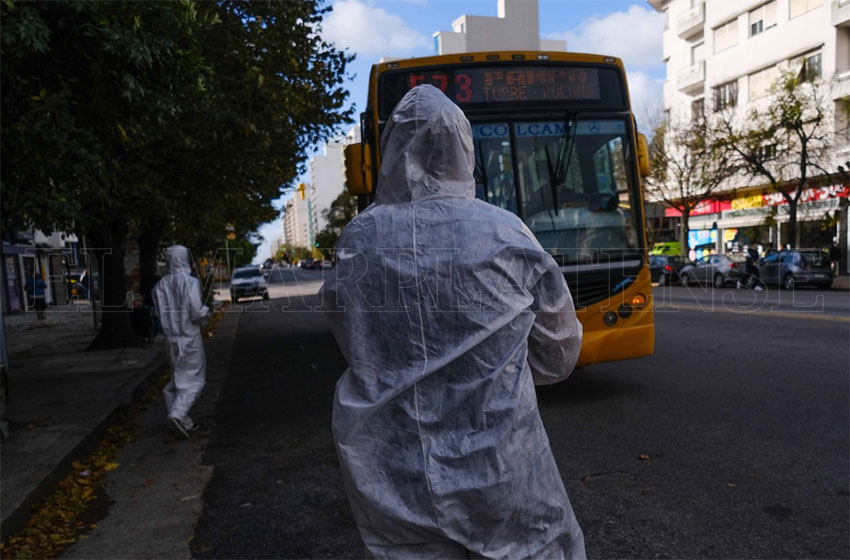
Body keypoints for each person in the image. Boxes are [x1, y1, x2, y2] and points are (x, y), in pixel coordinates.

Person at [321, 85, 585, 558]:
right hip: (500, 468)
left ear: (392, 150)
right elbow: (559, 355)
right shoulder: (504, 231)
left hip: (388, 471)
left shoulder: (358, 241)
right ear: (464, 148)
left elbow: (354, 343)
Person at [152, 245, 210, 438]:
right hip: (189, 338)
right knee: (195, 380)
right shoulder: (190, 282)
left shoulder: (160, 286)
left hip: (171, 340)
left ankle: (182, 422)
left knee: (176, 381)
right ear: (184, 259)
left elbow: (160, 314)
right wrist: (206, 312)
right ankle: (178, 413)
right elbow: (195, 312)